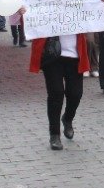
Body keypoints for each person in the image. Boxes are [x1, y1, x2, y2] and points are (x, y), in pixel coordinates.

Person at [27, 18, 90, 150]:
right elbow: (33, 14)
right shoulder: (47, 0)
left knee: (75, 94)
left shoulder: (78, 2)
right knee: (56, 93)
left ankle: (67, 118)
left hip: (74, 56)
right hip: (52, 54)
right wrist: (25, 12)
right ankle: (54, 134)